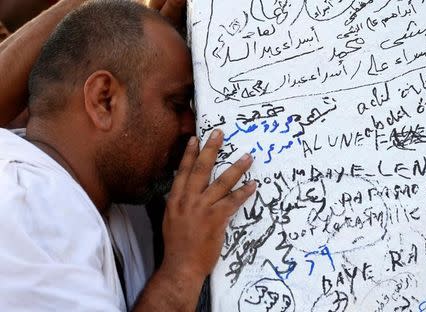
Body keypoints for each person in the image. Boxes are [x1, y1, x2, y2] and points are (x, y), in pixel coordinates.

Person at [0, 1, 256, 311]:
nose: (192, 125)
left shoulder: (110, 188)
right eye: (176, 103)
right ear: (104, 100)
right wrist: (183, 269)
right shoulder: (25, 214)